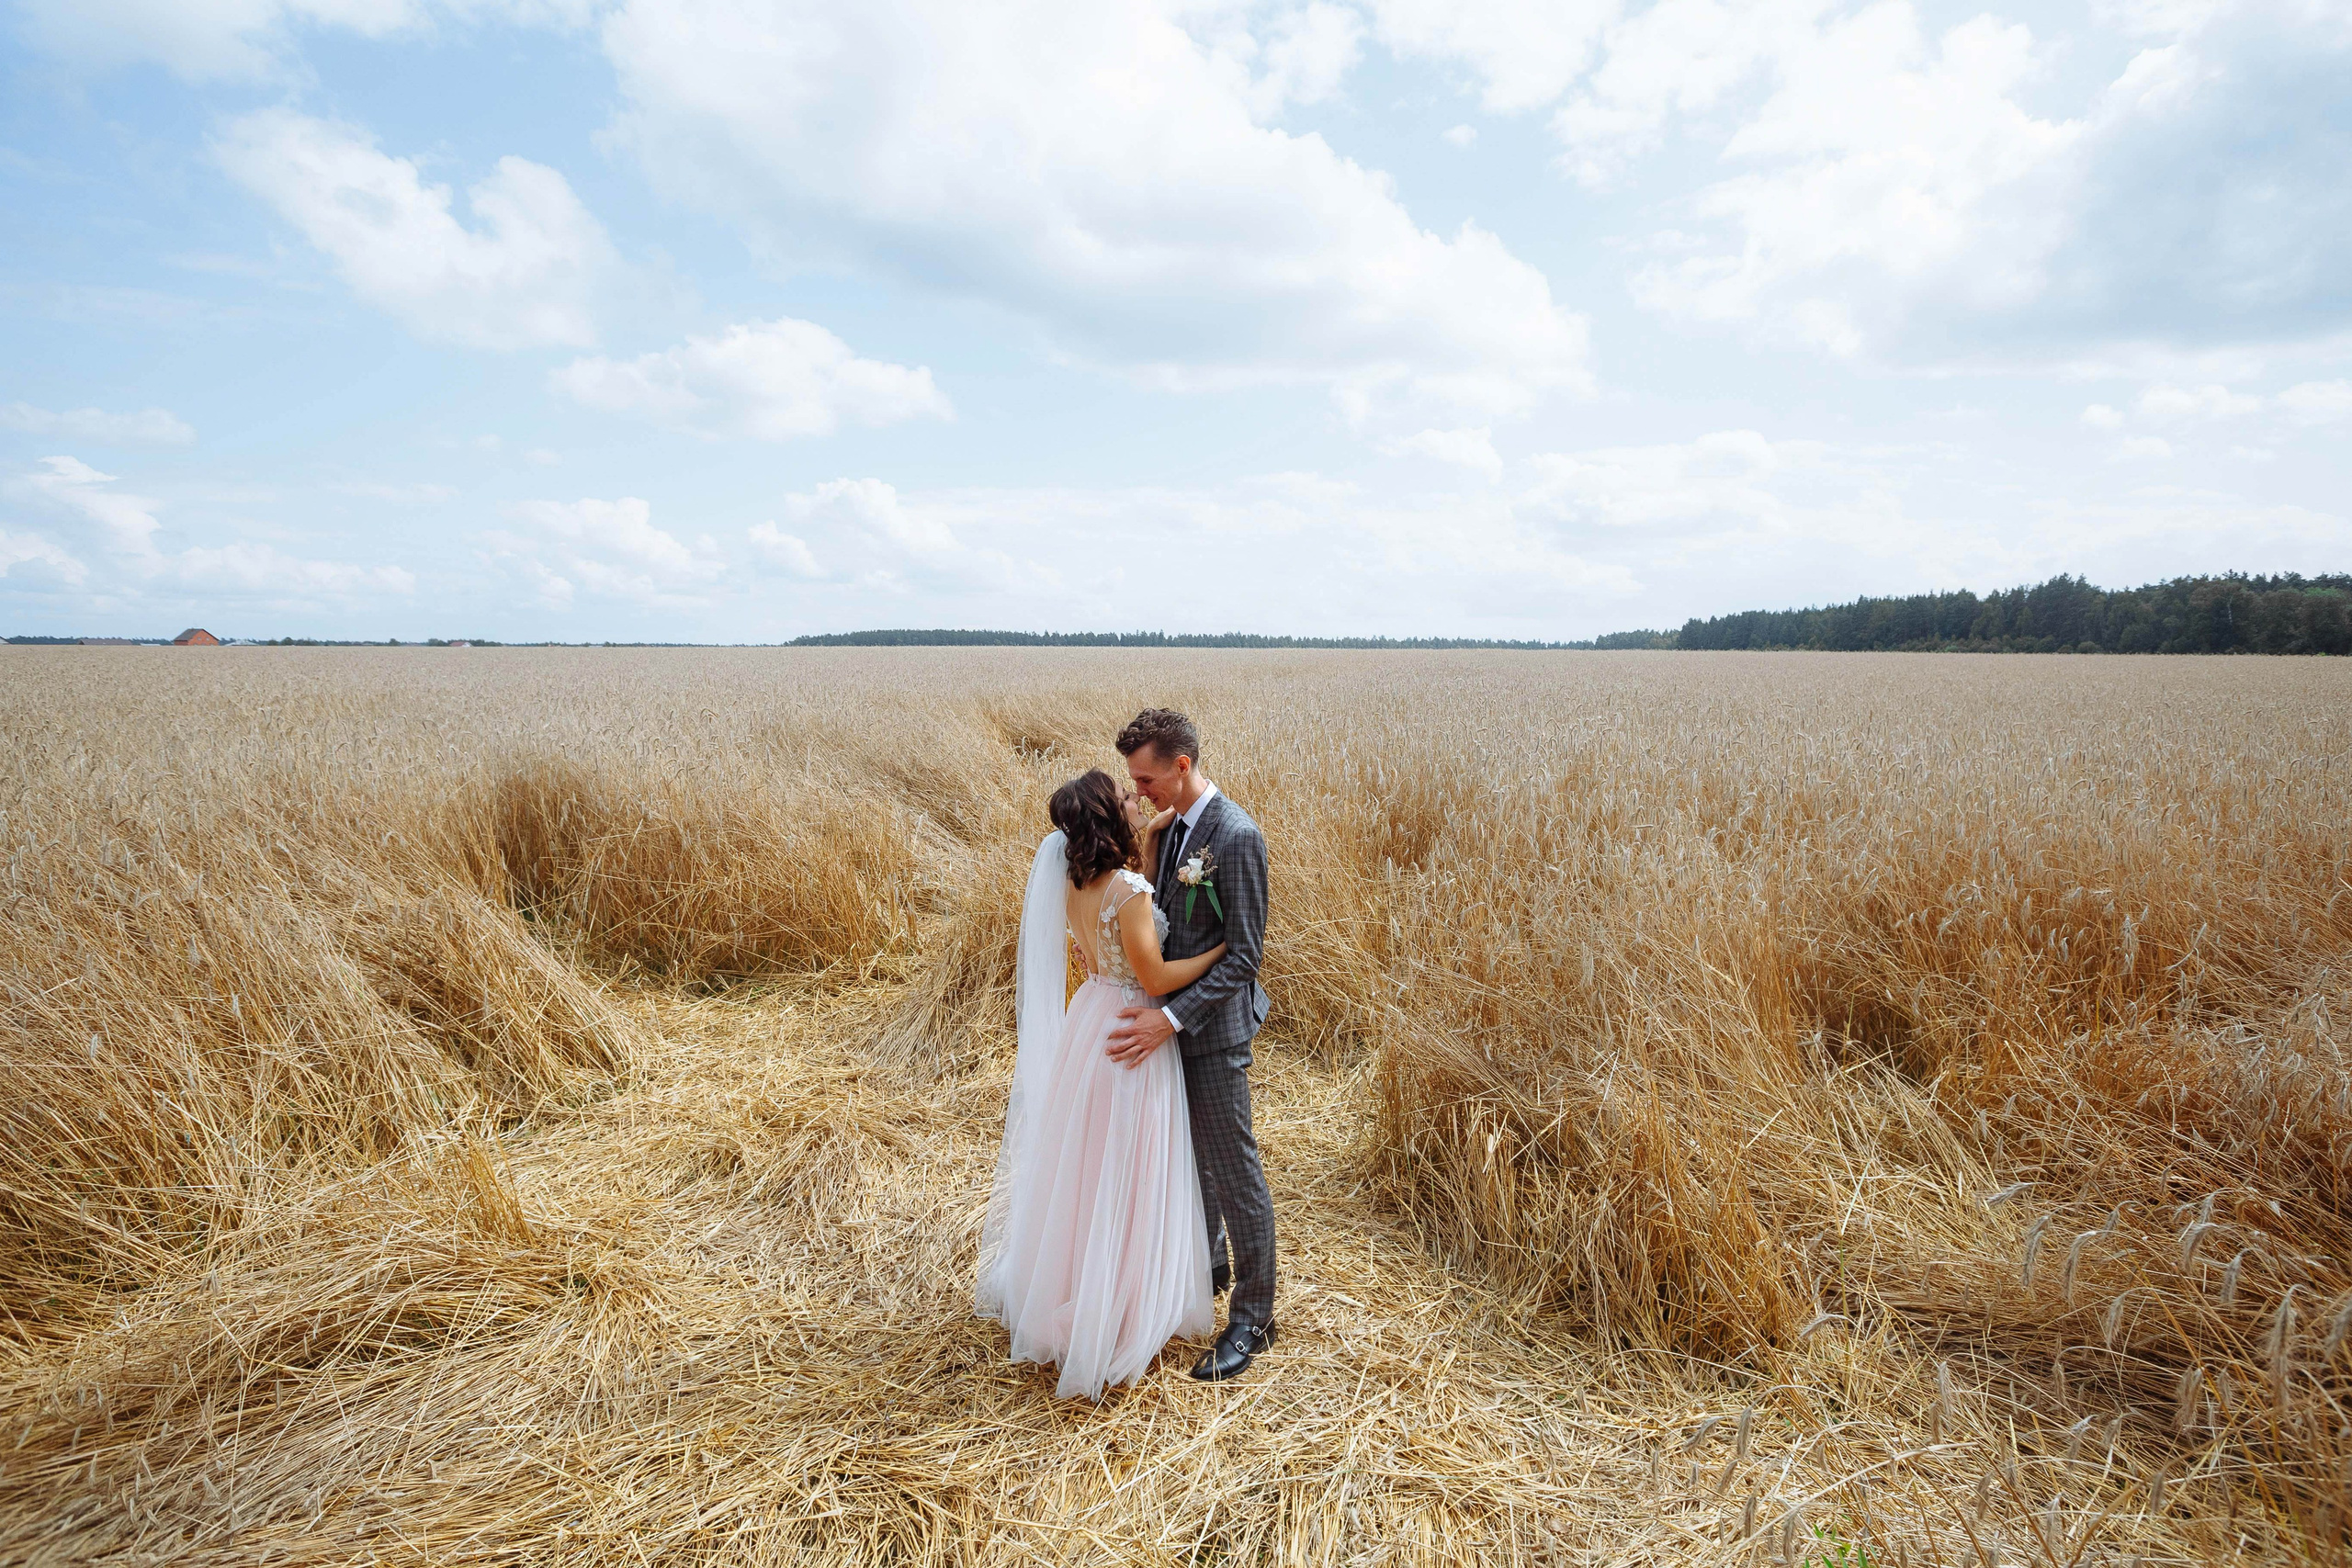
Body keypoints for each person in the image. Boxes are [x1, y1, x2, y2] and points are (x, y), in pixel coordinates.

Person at [975, 768, 1227, 1399]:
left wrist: (1156, 834)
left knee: (1089, 1163)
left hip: (1090, 1016)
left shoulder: (1077, 882)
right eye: (1123, 797)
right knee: (1129, 1162)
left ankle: (1082, 1285)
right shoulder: (1129, 890)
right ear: (1108, 817)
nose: (1134, 799)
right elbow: (1157, 975)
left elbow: (1112, 930)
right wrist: (1221, 952)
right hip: (1131, 1025)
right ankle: (1122, 1305)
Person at [1107, 708, 1276, 1382]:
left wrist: (1170, 1020)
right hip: (1171, 1023)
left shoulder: (1236, 836)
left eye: (1146, 779)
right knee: (1193, 1162)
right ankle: (1208, 1268)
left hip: (1212, 1031)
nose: (1138, 791)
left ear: (1182, 766)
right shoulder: (1172, 827)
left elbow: (1245, 957)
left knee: (1234, 1173)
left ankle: (1254, 1319)